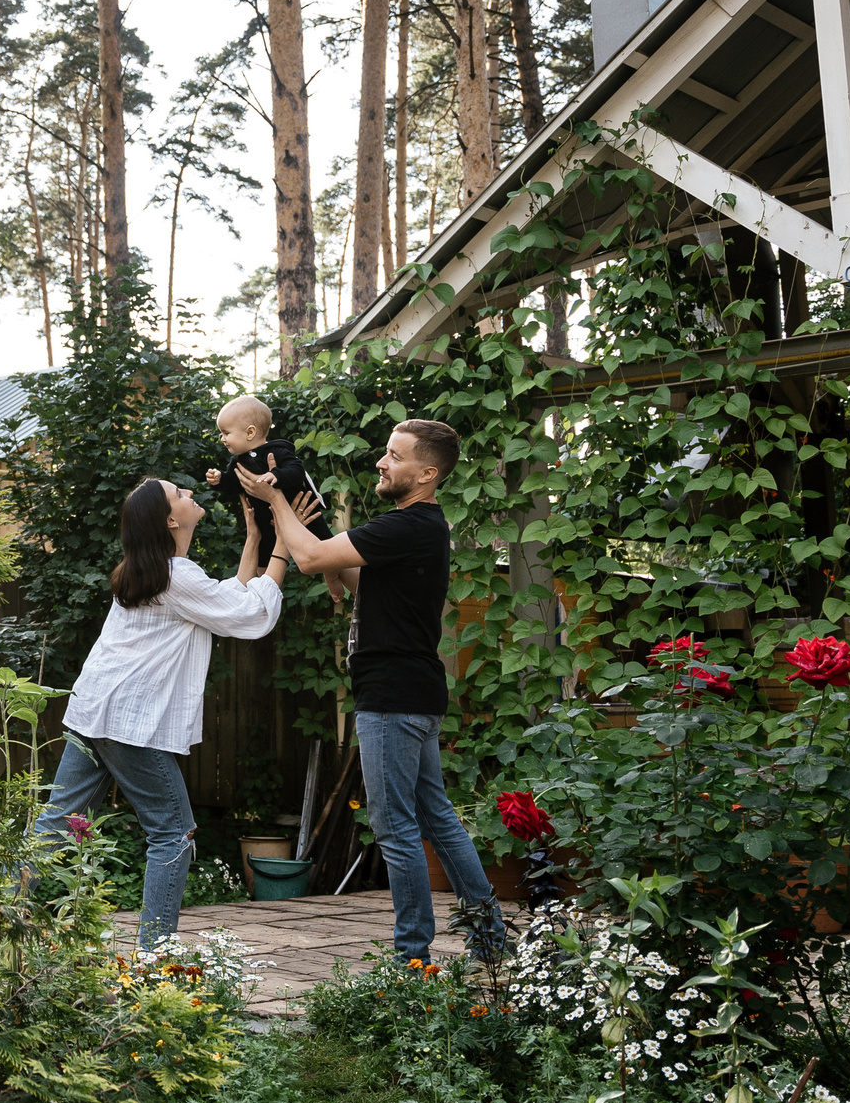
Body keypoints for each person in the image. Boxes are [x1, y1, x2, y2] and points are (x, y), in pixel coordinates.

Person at [244, 419, 507, 963]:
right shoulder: (417, 529)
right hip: (412, 693)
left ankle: (413, 957)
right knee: (435, 817)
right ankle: (488, 941)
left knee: (396, 828)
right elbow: (354, 577)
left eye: (394, 455)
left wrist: (276, 502)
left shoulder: (410, 526)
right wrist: (333, 566)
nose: (381, 463)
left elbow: (312, 555)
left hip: (392, 697)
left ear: (427, 473)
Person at [32, 475, 302, 948]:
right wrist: (283, 547)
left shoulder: (154, 572)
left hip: (93, 711)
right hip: (129, 724)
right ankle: (154, 959)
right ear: (170, 519)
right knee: (174, 835)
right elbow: (250, 616)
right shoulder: (177, 578)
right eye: (181, 494)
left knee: (53, 828)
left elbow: (229, 599)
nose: (191, 493)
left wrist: (256, 538)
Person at [203, 393, 332, 547]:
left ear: (250, 433)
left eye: (226, 433)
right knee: (262, 553)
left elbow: (296, 470)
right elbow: (234, 485)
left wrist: (276, 474)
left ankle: (333, 570)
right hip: (266, 521)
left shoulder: (277, 451)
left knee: (324, 545)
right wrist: (220, 480)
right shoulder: (237, 462)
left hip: (301, 511)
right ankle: (265, 572)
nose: (222, 439)